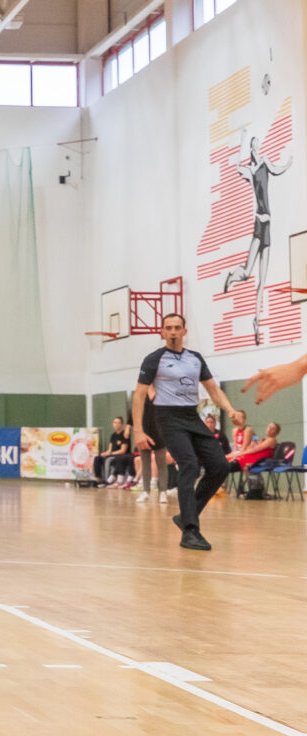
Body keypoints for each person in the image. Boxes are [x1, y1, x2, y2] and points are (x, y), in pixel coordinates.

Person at [133, 314, 241, 551]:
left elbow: (213, 390)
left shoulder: (195, 359)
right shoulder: (154, 359)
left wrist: (231, 410)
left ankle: (185, 516)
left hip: (192, 416)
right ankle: (190, 531)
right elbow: (139, 395)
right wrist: (138, 431)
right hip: (167, 417)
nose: (172, 332)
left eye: (177, 328)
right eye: (168, 328)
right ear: (162, 332)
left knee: (220, 466)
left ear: (184, 331)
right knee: (189, 464)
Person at [222, 131, 293, 345]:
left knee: (262, 280)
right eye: (254, 144)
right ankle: (232, 276)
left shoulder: (265, 162)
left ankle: (257, 321)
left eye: (257, 143)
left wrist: (290, 162)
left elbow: (277, 169)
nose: (258, 146)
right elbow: (236, 167)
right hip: (258, 224)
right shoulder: (251, 170)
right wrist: (241, 142)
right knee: (247, 272)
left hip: (268, 223)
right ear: (251, 148)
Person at [132, 386, 172, 503]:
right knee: (145, 463)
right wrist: (137, 432)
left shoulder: (162, 392)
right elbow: (134, 414)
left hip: (159, 432)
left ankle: (163, 492)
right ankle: (146, 492)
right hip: (143, 432)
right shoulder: (140, 393)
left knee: (161, 463)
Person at [232, 421, 280, 493]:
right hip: (252, 458)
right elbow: (252, 447)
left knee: (236, 463)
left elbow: (254, 450)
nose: (269, 429)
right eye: (269, 427)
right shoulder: (263, 440)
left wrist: (239, 454)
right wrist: (253, 439)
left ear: (276, 432)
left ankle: (255, 490)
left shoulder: (271, 440)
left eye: (272, 428)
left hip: (259, 461)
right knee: (231, 461)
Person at [94, 417, 130, 485]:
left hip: (119, 455)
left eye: (118, 422)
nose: (116, 424)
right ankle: (98, 478)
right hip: (111, 453)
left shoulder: (124, 435)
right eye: (114, 422)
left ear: (122, 424)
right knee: (97, 458)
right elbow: (109, 449)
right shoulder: (113, 435)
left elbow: (123, 450)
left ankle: (107, 480)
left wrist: (111, 453)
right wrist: (105, 453)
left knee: (108, 460)